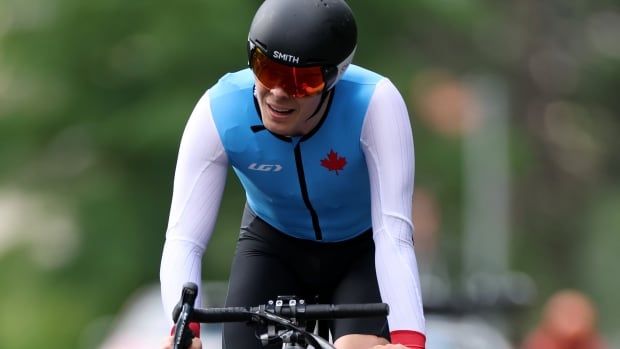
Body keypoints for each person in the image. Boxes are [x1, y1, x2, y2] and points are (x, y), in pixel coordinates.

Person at [159, 0, 426, 348]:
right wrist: (183, 333)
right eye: (267, 70)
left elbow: (394, 233)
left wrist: (410, 341)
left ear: (335, 76)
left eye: (302, 82)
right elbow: (184, 240)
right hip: (272, 246)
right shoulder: (219, 109)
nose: (279, 92)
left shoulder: (375, 103)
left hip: (359, 252)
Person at [520, 289, 607, 349]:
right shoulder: (541, 343)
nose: (572, 322)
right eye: (568, 315)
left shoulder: (591, 343)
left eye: (575, 315)